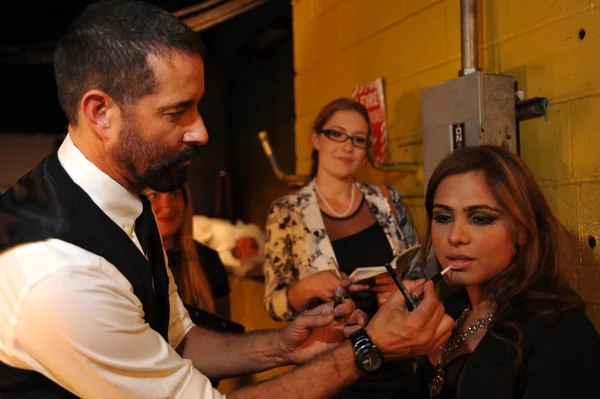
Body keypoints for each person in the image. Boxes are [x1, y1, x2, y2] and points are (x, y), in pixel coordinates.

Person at [0, 1, 453, 398]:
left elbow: (180, 338)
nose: (201, 131)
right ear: (101, 113)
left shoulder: (125, 204)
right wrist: (365, 351)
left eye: (198, 106)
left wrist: (281, 345)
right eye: (178, 111)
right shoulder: (60, 275)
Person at [410, 145, 600, 399]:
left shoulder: (557, 328)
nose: (455, 237)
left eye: (480, 218)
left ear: (522, 230)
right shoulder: (453, 309)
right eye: (443, 217)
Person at [263, 98, 420, 398]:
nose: (347, 146)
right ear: (316, 138)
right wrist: (306, 288)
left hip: (397, 358)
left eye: (358, 139)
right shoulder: (287, 211)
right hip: (327, 368)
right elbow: (274, 303)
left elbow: (419, 270)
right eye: (336, 134)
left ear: (366, 152)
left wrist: (403, 288)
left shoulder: (386, 200)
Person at [145, 184, 231, 318]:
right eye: (154, 195)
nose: (167, 208)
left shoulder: (208, 260)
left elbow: (226, 334)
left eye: (175, 194)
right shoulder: (121, 263)